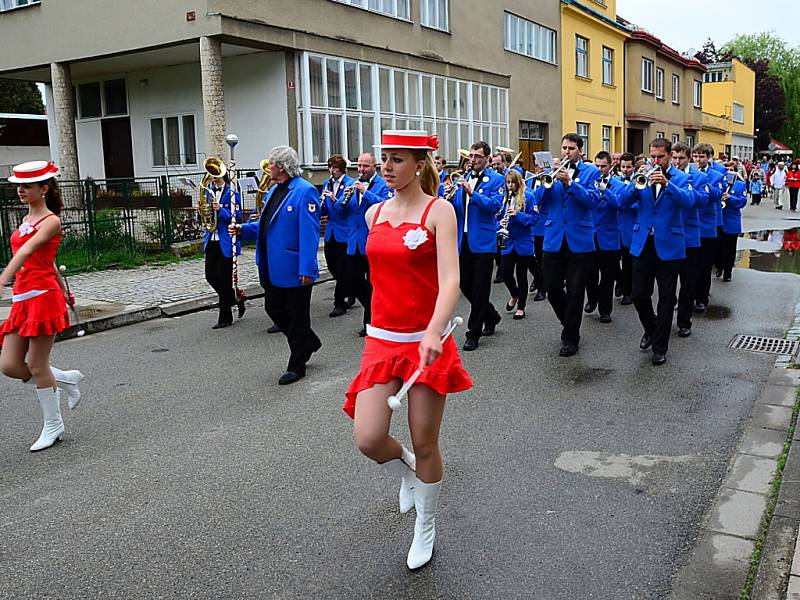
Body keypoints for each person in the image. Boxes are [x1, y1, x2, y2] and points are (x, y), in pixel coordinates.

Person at [344, 129, 472, 570]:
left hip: (424, 342)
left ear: (419, 164)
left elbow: (451, 280)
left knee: (425, 439)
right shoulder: (374, 213)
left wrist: (435, 331)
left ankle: (426, 524)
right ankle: (407, 471)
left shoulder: (440, 211)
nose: (386, 166)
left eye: (397, 159)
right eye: (385, 158)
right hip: (381, 339)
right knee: (369, 436)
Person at [0, 161, 84, 452]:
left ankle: (53, 424)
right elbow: (46, 262)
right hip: (24, 298)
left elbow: (27, 251)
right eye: (18, 186)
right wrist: (66, 289)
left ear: (44, 189)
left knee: (36, 364)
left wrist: (3, 277)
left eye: (27, 186)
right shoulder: (25, 218)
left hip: (42, 298)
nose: (20, 191)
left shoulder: (51, 221)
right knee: (10, 365)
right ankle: (66, 379)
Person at [232, 146, 321, 385]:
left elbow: (310, 234)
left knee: (298, 315)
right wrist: (243, 230)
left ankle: (297, 364)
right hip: (271, 265)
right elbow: (264, 224)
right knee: (273, 308)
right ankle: (308, 342)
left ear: (281, 167)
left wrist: (307, 267)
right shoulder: (274, 191)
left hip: (294, 267)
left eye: (271, 163)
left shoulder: (305, 191)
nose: (268, 167)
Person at [620, 139, 693, 366]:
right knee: (639, 294)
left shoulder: (681, 178)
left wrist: (669, 185)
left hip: (669, 244)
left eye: (660, 157)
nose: (655, 161)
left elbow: (690, 201)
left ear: (670, 156)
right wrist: (634, 183)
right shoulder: (642, 176)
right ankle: (651, 329)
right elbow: (622, 201)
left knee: (666, 298)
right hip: (643, 242)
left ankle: (660, 347)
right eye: (652, 156)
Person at [534, 133, 601, 357]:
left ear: (580, 150)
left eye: (571, 148)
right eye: (564, 148)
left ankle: (571, 338)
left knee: (575, 292)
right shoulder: (549, 173)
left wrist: (570, 183)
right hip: (553, 237)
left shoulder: (591, 172)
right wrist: (545, 178)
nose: (566, 152)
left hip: (580, 240)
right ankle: (569, 323)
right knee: (552, 288)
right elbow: (538, 202)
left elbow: (592, 200)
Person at [444, 141, 504, 351]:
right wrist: (449, 196)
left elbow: (494, 206)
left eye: (478, 156)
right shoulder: (463, 178)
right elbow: (456, 211)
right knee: (465, 285)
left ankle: (473, 332)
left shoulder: (497, 179)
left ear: (487, 159)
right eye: (471, 156)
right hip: (464, 240)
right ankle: (491, 315)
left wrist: (473, 194)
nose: (473, 160)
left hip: (484, 243)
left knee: (480, 288)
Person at [342, 153, 392, 336]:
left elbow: (385, 205)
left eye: (365, 166)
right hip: (354, 241)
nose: (361, 169)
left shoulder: (382, 184)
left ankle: (371, 320)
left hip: (373, 241)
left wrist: (365, 192)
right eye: (359, 166)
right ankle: (374, 310)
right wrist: (339, 199)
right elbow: (343, 209)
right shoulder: (351, 184)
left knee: (374, 283)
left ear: (374, 166)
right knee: (352, 282)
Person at [671, 143, 709, 338]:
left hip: (689, 236)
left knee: (688, 283)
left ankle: (684, 321)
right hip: (669, 235)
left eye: (681, 158)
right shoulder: (665, 175)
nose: (677, 162)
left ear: (689, 159)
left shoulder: (700, 178)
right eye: (674, 158)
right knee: (667, 285)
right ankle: (663, 319)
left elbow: (701, 201)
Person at [202, 166, 243, 329]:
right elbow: (206, 215)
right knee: (210, 275)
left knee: (224, 279)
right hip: (211, 239)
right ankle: (233, 299)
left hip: (226, 241)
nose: (213, 179)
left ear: (223, 176)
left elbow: (238, 217)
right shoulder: (208, 192)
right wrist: (203, 210)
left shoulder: (233, 193)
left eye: (216, 176)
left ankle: (225, 318)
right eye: (212, 176)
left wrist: (221, 210)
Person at [585, 151, 621, 323]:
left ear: (610, 166)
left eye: (603, 166)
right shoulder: (588, 182)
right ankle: (592, 299)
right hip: (590, 235)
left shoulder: (617, 183)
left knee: (607, 276)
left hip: (609, 236)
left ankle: (605, 310)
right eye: (597, 166)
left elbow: (620, 203)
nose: (600, 169)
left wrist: (605, 191)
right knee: (589, 274)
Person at [498, 169, 536, 320]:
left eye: (513, 182)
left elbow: (534, 219)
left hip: (523, 241)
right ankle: (515, 295)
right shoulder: (503, 198)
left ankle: (521, 307)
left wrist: (518, 215)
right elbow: (495, 217)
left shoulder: (529, 196)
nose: (510, 185)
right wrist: (499, 223)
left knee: (521, 275)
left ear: (519, 182)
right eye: (508, 182)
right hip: (508, 241)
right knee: (506, 272)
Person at [692, 143, 725, 314]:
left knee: (704, 266)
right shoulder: (688, 173)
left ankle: (701, 299)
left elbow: (716, 195)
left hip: (706, 226)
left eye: (701, 157)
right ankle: (689, 297)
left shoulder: (716, 175)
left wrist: (701, 180)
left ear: (708, 158)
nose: (698, 160)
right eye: (696, 156)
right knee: (691, 266)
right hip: (690, 225)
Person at [321, 155, 356, 317]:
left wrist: (334, 199)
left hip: (344, 231)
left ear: (341, 168)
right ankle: (351, 288)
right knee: (332, 266)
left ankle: (339, 303)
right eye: (329, 167)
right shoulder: (327, 184)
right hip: (330, 232)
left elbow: (343, 208)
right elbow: (325, 211)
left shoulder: (350, 184)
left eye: (334, 167)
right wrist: (320, 204)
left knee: (342, 268)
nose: (331, 171)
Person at [717, 164, 748, 282]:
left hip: (731, 222)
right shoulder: (719, 182)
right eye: (727, 170)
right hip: (718, 220)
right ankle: (719, 267)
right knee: (717, 248)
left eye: (731, 170)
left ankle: (728, 272)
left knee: (730, 249)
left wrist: (730, 198)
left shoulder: (740, 185)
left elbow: (742, 202)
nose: (728, 173)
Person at [615, 153, 637, 306]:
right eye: (623, 167)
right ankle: (620, 282)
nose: (625, 170)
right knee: (613, 261)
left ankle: (628, 292)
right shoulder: (615, 180)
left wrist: (625, 201)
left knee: (629, 263)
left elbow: (640, 204)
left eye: (628, 167)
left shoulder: (639, 181)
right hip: (616, 227)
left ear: (633, 167)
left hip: (630, 226)